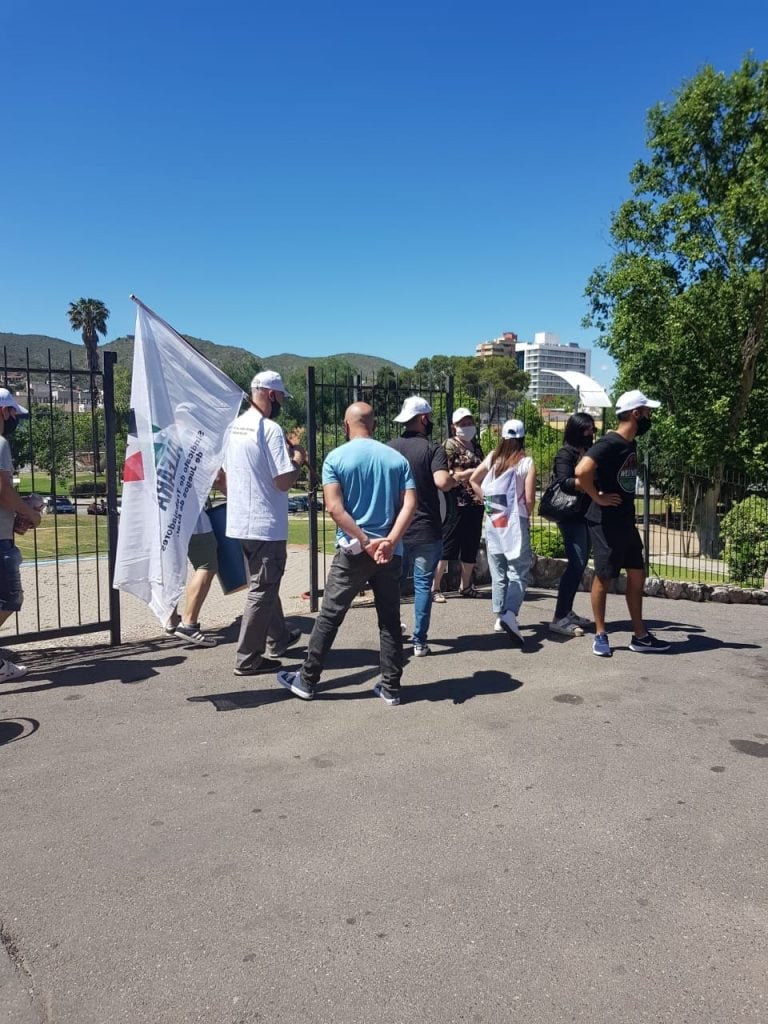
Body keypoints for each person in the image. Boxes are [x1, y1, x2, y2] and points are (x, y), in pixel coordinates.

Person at [277, 402, 416, 706]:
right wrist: (389, 541)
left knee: (330, 615)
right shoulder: (396, 460)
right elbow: (410, 505)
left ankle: (308, 679)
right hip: (391, 553)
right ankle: (391, 687)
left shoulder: (336, 458)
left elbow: (335, 508)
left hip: (354, 551)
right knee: (390, 620)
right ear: (374, 425)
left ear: (345, 425)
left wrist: (365, 541)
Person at [576, 389, 670, 657]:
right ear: (635, 413)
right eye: (647, 412)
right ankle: (601, 634)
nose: (650, 417)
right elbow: (581, 471)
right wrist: (598, 497)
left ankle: (640, 635)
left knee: (637, 575)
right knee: (604, 577)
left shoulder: (630, 444)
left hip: (625, 521)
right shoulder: (610, 443)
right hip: (605, 522)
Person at [223, 370, 306, 675]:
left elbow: (223, 476)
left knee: (264, 583)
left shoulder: (234, 427)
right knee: (263, 587)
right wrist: (298, 458)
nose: (282, 402)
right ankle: (248, 658)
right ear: (271, 395)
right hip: (265, 522)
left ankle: (279, 637)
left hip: (240, 521)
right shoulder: (268, 429)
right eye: (281, 396)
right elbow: (283, 481)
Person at [388, 396, 455, 657]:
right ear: (424, 418)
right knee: (423, 586)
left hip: (396, 529)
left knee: (392, 585)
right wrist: (454, 479)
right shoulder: (432, 449)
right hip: (427, 528)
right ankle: (419, 642)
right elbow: (441, 482)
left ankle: (392, 633)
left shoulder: (389, 448)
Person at [470, 419, 535, 645]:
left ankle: (499, 617)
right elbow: (528, 499)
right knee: (518, 570)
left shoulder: (493, 459)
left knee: (498, 571)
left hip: (494, 522)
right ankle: (510, 613)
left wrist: (488, 503)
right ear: (522, 438)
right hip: (516, 523)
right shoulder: (526, 463)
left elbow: (473, 479)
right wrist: (528, 514)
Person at [0, 389, 42, 682]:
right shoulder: (1, 443)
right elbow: (3, 491)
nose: (15, 418)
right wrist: (29, 512)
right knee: (10, 599)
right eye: (13, 412)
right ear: (4, 412)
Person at [548, 412, 596, 638]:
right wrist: (588, 483)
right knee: (576, 563)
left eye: (593, 429)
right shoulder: (565, 453)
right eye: (587, 430)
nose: (591, 433)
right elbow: (564, 482)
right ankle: (559, 617)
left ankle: (567, 610)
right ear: (577, 430)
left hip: (584, 514)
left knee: (581, 562)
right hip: (570, 516)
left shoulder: (587, 453)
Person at [431, 407, 485, 601]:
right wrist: (467, 475)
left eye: (469, 422)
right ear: (454, 427)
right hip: (456, 502)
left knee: (471, 543)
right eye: (463, 424)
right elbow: (444, 474)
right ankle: (435, 588)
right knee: (448, 543)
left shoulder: (476, 446)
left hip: (475, 502)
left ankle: (466, 585)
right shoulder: (449, 446)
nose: (467, 427)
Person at [164, 507, 220, 647]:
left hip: (164, 520)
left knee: (171, 569)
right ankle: (189, 623)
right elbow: (219, 483)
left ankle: (171, 619)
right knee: (206, 566)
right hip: (193, 518)